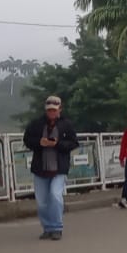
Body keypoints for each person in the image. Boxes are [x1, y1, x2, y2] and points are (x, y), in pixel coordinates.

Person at [23, 95, 79, 242]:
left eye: (54, 110)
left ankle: (57, 227)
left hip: (59, 167)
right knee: (42, 201)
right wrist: (39, 142)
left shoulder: (66, 124)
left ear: (60, 109)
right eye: (49, 110)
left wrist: (58, 144)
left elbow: (73, 143)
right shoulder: (36, 124)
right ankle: (47, 227)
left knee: (55, 195)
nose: (51, 113)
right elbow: (27, 140)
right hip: (40, 167)